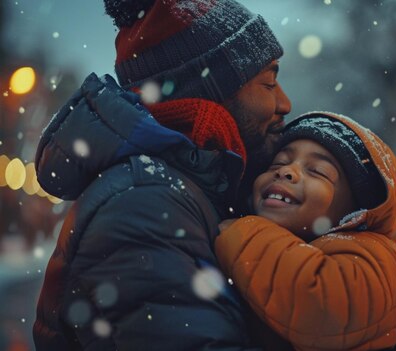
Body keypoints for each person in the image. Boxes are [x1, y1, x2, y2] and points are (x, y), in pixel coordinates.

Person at [33, 0, 291, 349]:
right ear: (211, 90)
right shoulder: (145, 204)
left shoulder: (187, 190)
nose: (285, 103)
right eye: (269, 82)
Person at [216, 112, 396, 351]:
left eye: (317, 171)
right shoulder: (293, 246)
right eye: (278, 163)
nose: (286, 172)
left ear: (355, 210)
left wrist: (245, 233)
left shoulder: (375, 252)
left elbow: (320, 304)